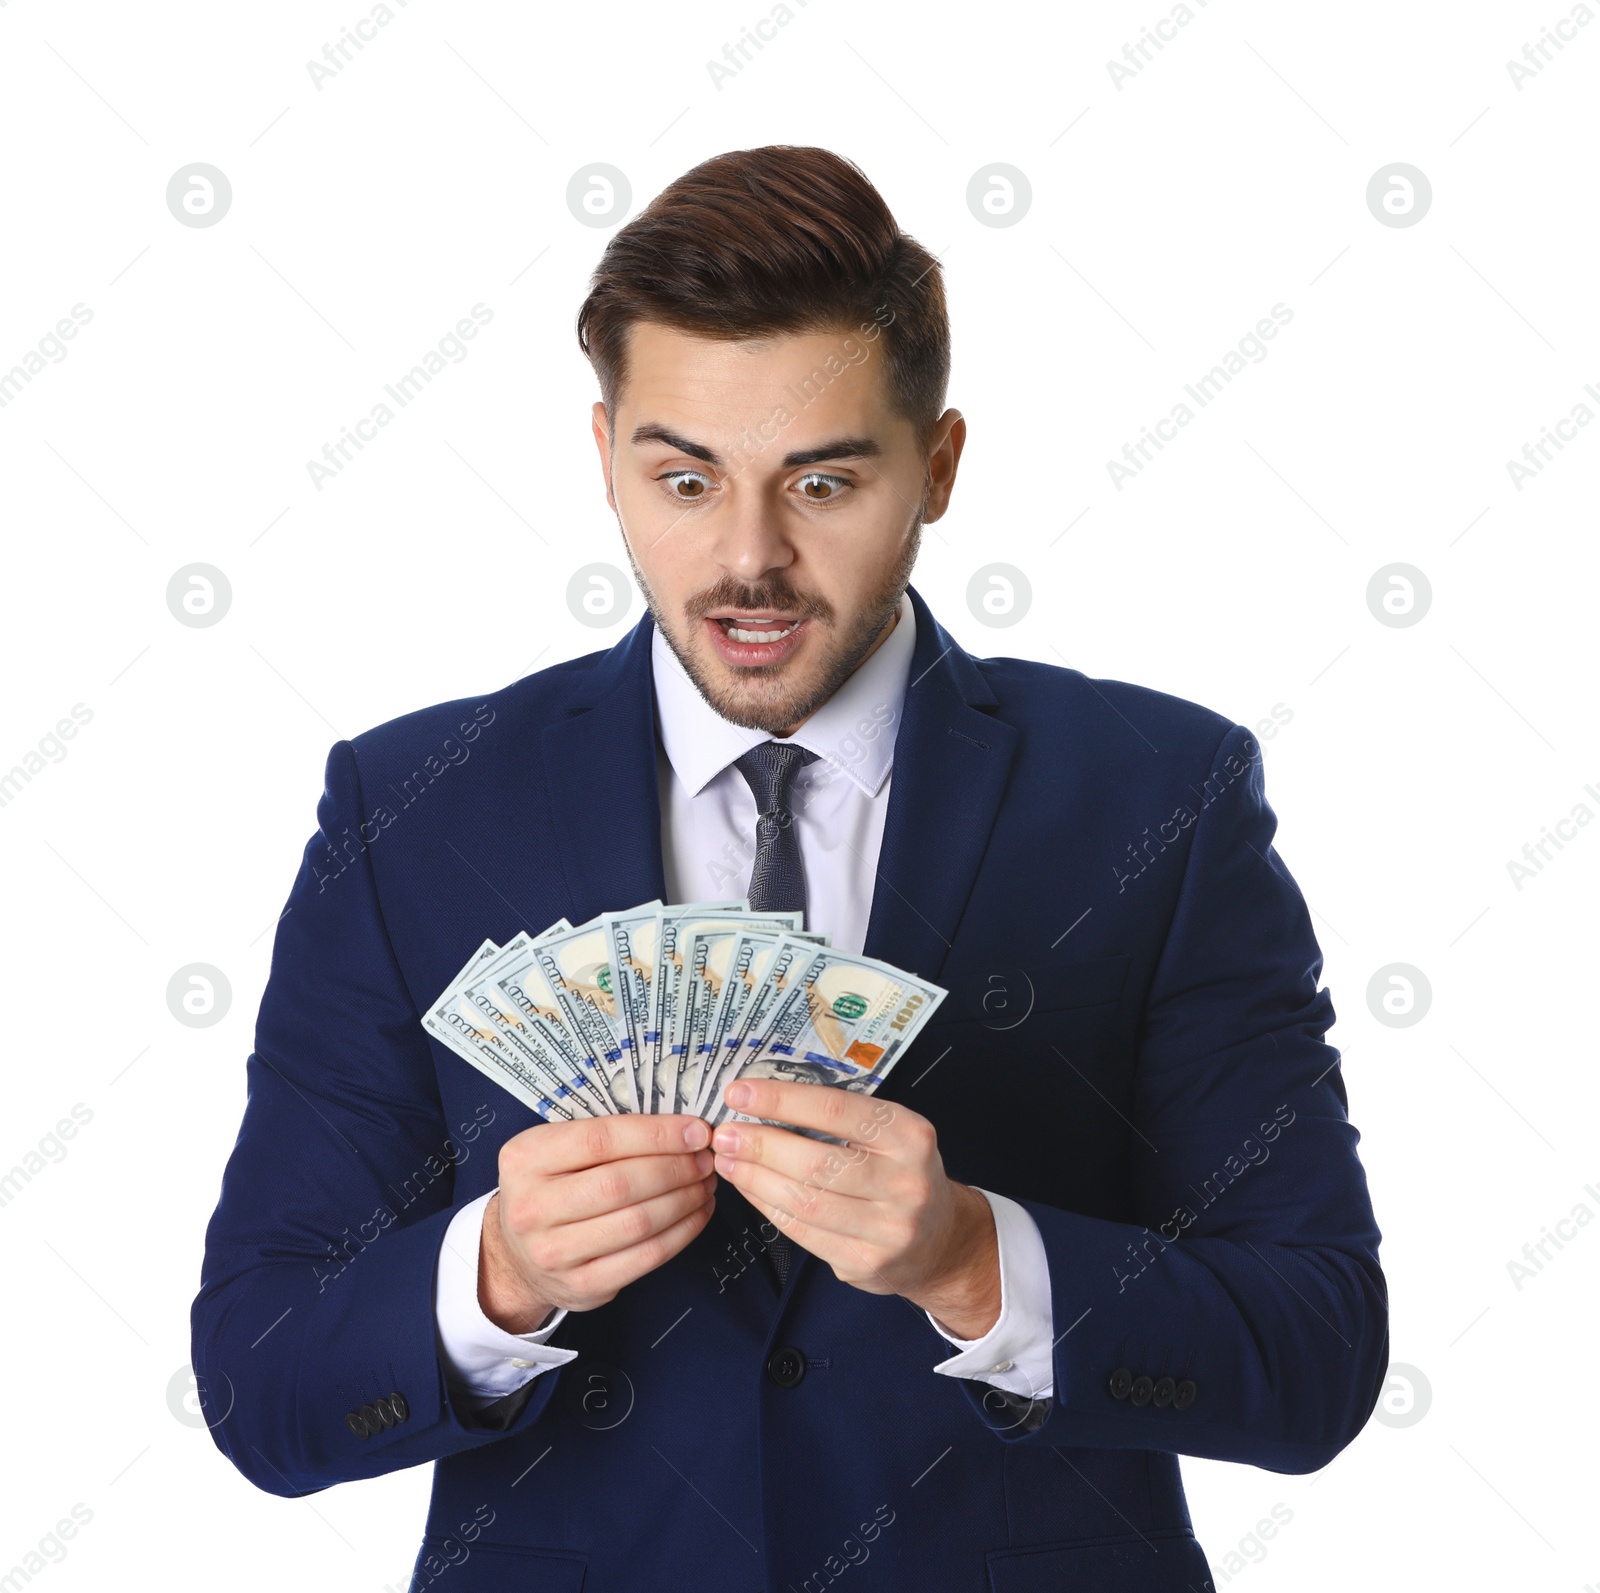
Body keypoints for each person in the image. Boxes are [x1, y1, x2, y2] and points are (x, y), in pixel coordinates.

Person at [192, 144, 1386, 1592]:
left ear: (937, 466)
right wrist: (496, 1273)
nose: (748, 559)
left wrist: (975, 1259)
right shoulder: (414, 808)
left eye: (821, 481)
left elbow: (1318, 1347)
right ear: (606, 458)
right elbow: (261, 1380)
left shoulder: (1160, 796)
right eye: (684, 478)